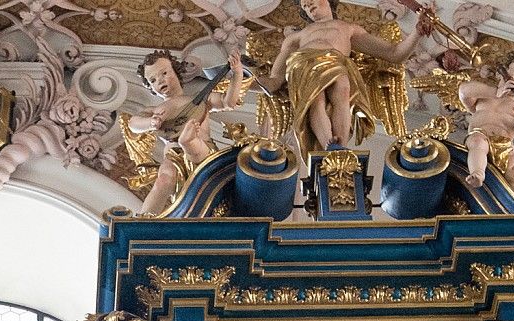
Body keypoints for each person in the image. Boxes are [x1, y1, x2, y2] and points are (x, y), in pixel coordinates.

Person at [267, 0, 429, 159]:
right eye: (304, 5)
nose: (307, 5)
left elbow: (394, 53)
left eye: (310, 0)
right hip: (305, 63)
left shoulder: (348, 28)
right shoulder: (297, 36)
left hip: (336, 61)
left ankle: (340, 148)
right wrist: (257, 82)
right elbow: (276, 75)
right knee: (315, 98)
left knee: (343, 91)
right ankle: (329, 145)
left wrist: (417, 33)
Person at [126, 51, 248, 214]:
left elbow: (229, 101)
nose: (160, 80)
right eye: (153, 80)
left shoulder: (200, 99)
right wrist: (151, 122)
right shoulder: (156, 110)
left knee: (194, 146)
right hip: (174, 155)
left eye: (164, 73)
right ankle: (144, 219)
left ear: (176, 72)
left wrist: (237, 73)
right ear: (151, 88)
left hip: (203, 150)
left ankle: (187, 140)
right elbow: (133, 124)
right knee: (163, 180)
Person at [456, 53, 514, 205]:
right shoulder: (484, 96)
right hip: (480, 135)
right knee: (478, 143)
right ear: (501, 71)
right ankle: (477, 173)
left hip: (505, 147)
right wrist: (496, 93)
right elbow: (464, 91)